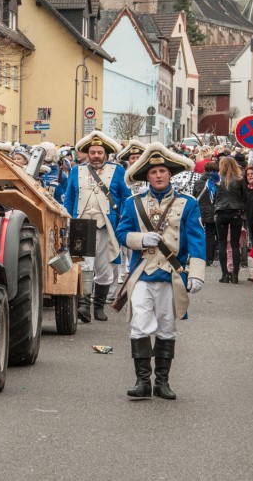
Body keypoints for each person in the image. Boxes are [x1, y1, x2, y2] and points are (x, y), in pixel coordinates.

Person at [116, 143, 206, 400]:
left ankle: (162, 383)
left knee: (167, 327)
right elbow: (122, 233)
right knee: (140, 325)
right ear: (147, 176)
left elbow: (197, 239)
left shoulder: (187, 203)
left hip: (172, 274)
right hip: (142, 273)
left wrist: (197, 273)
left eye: (163, 171)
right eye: (154, 171)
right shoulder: (134, 203)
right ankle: (142, 381)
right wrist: (140, 240)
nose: (158, 175)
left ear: (170, 174)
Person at [63, 131, 130, 322]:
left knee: (105, 267)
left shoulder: (117, 171)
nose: (96, 156)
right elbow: (69, 199)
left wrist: (123, 221)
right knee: (83, 266)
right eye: (92, 152)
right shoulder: (76, 171)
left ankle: (99, 306)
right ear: (87, 154)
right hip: (81, 225)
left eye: (99, 152)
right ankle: (84, 305)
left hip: (106, 226)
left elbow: (125, 198)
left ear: (106, 154)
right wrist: (67, 221)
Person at [213, 156, 246, 284]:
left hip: (221, 212)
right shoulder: (239, 180)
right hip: (235, 213)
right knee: (234, 244)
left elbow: (213, 196)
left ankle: (225, 274)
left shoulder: (217, 180)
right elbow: (244, 197)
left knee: (221, 243)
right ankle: (235, 275)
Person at [192, 161, 219, 267]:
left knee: (198, 234)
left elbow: (195, 196)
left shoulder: (198, 182)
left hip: (200, 211)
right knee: (210, 235)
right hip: (213, 211)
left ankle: (198, 256)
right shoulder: (217, 183)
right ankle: (209, 258)